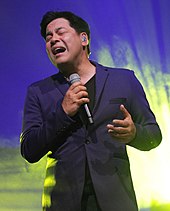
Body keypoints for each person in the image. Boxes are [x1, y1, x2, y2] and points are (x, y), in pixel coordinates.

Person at [20, 11, 162, 211]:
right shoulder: (38, 91)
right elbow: (29, 149)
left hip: (116, 201)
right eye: (48, 37)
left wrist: (134, 133)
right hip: (62, 203)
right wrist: (63, 112)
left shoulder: (124, 80)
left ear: (84, 38)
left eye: (60, 32)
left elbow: (154, 135)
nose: (53, 39)